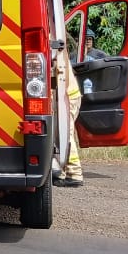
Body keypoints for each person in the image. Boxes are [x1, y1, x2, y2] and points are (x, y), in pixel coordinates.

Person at [55, 48, 84, 187]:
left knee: (66, 134)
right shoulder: (56, 43)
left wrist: (62, 98)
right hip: (69, 95)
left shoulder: (54, 46)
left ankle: (74, 174)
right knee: (62, 135)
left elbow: (61, 71)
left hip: (67, 97)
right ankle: (63, 172)